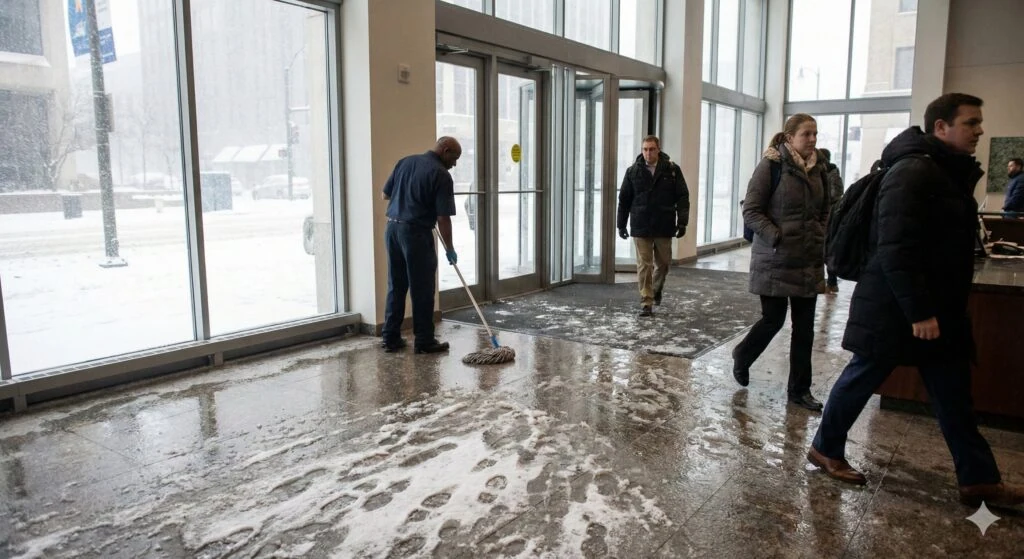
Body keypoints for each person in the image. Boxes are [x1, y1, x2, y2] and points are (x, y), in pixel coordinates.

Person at [808, 93, 1024, 508]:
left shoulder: (941, 171)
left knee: (953, 395)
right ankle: (825, 447)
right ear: (940, 128)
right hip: (899, 308)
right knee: (862, 378)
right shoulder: (913, 172)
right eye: (970, 123)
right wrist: (919, 310)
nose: (979, 130)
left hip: (929, 306)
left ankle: (979, 480)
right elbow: (896, 247)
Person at [733, 114, 829, 411]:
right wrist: (777, 236)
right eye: (806, 134)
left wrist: (819, 233)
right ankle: (743, 355)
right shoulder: (771, 166)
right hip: (775, 259)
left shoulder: (819, 168)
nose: (812, 139)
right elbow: (751, 210)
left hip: (808, 260)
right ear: (789, 138)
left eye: (815, 134)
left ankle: (800, 390)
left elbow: (826, 209)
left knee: (805, 329)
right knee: (773, 320)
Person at [380, 137, 462, 354]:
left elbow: (385, 194)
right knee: (423, 288)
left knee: (396, 285)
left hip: (393, 230)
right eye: (454, 159)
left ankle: (390, 338)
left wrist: (408, 198)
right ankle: (424, 341)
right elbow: (443, 218)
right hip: (415, 234)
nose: (454, 164)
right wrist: (450, 247)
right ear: (445, 151)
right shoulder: (441, 175)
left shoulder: (404, 162)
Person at [616, 135, 690, 317]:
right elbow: (624, 200)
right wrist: (621, 224)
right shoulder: (633, 171)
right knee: (644, 265)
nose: (648, 153)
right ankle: (646, 301)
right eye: (645, 149)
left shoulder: (672, 170)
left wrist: (682, 222)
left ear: (658, 149)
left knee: (664, 263)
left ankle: (656, 289)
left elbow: (682, 197)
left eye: (651, 149)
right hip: (640, 224)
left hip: (664, 224)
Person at [819, 148, 845, 293]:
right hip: (828, 215)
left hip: (828, 215)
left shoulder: (828, 173)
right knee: (827, 247)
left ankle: (831, 281)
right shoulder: (832, 173)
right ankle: (830, 281)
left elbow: (836, 194)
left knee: (826, 248)